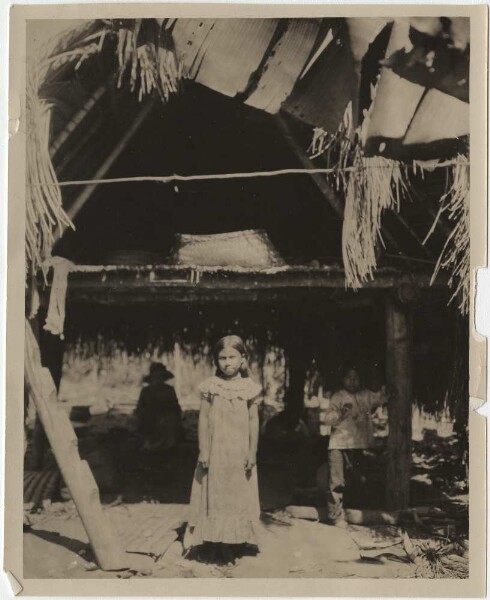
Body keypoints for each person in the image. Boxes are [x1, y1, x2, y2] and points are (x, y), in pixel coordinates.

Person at [186, 335, 262, 566]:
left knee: (235, 496)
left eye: (232, 357)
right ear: (216, 361)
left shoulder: (249, 388)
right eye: (222, 358)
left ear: (243, 359)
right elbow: (203, 418)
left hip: (238, 453)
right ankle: (211, 544)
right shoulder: (211, 386)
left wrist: (252, 452)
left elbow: (253, 421)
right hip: (216, 451)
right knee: (214, 494)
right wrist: (203, 450)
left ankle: (230, 546)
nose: (227, 362)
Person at [324, 365, 389, 527]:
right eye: (349, 378)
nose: (352, 381)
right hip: (338, 444)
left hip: (358, 444)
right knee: (336, 481)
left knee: (358, 479)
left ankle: (355, 512)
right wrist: (340, 413)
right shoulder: (338, 397)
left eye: (356, 378)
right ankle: (336, 515)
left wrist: (387, 390)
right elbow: (328, 419)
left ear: (360, 380)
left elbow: (381, 398)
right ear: (343, 379)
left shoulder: (366, 395)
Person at [135, 362, 183, 452]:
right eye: (155, 376)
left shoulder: (169, 390)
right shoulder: (146, 391)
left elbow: (176, 409)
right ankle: (150, 445)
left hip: (166, 421)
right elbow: (140, 408)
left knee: (170, 422)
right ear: (152, 377)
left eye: (160, 376)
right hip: (150, 421)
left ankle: (167, 445)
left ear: (163, 378)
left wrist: (170, 416)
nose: (157, 379)